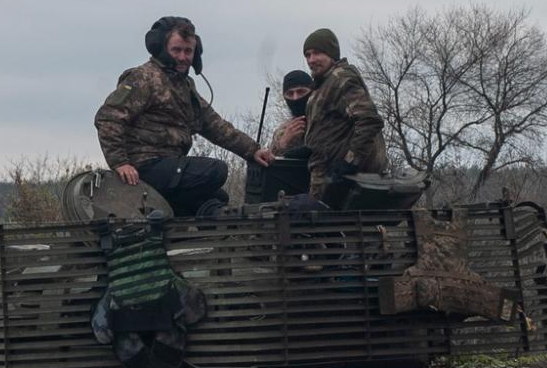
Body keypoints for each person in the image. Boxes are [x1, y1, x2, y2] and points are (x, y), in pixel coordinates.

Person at [94, 16, 274, 217]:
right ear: (161, 49)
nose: (183, 57)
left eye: (188, 51)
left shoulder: (185, 86)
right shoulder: (143, 78)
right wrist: (120, 162)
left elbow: (214, 125)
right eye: (176, 50)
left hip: (170, 165)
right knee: (216, 171)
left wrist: (252, 150)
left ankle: (175, 223)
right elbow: (108, 118)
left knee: (217, 198)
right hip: (145, 166)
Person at [299, 28, 388, 207]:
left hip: (341, 182)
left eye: (317, 53)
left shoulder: (341, 78)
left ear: (331, 53)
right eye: (307, 55)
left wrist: (348, 163)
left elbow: (369, 121)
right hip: (324, 178)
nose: (311, 60)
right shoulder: (323, 84)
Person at [244, 69, 316, 204]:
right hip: (290, 194)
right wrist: (283, 143)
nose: (295, 98)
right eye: (290, 93)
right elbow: (270, 165)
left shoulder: (326, 121)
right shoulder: (282, 131)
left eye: (301, 92)